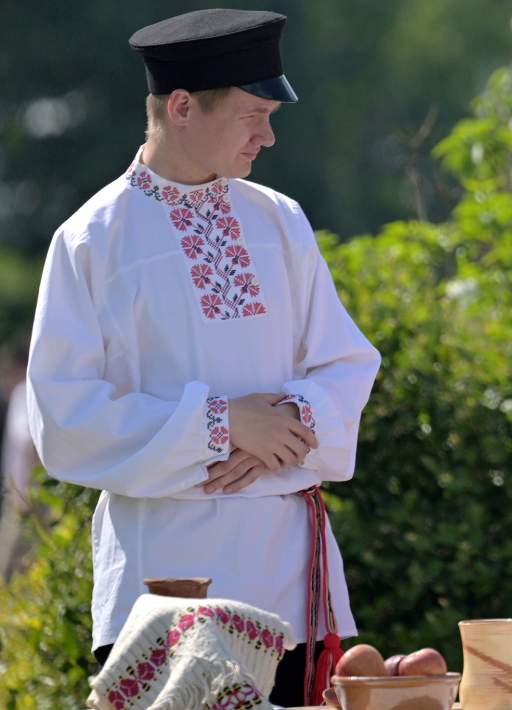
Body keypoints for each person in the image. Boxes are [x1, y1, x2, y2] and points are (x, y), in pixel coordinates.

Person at [26, 9, 381, 706]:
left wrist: (286, 422)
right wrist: (221, 425)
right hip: (165, 584)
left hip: (287, 571)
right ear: (183, 106)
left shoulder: (280, 218)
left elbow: (344, 363)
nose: (269, 136)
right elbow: (64, 418)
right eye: (253, 114)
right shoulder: (91, 240)